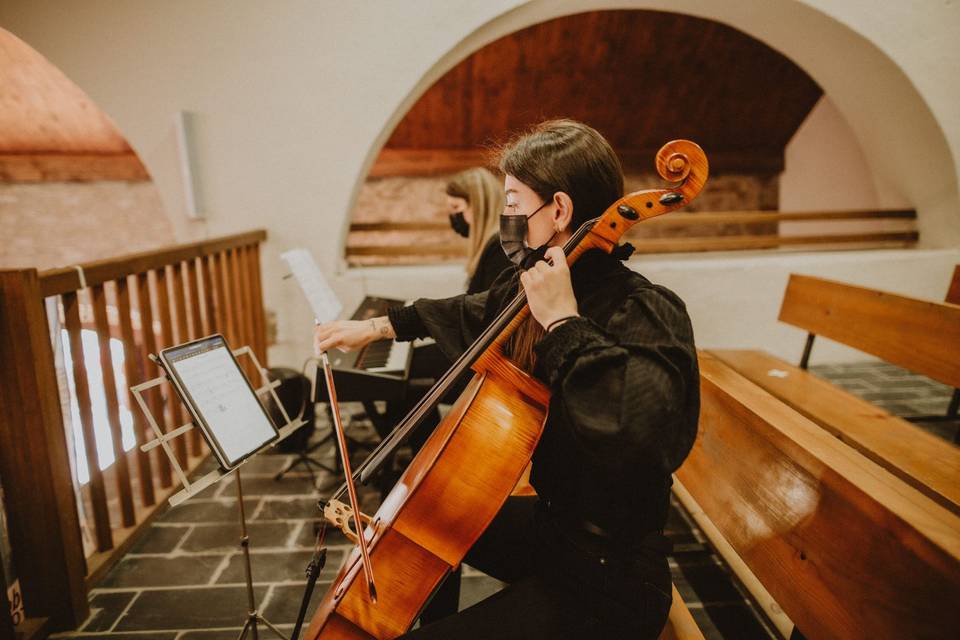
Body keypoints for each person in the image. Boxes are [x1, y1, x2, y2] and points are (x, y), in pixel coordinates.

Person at [314, 119, 700, 639]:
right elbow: (477, 309)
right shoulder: (535, 286)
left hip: (611, 578)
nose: (508, 216)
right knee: (426, 518)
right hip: (557, 532)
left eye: (515, 201)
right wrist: (379, 326)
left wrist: (564, 325)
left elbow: (637, 430)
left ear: (559, 210)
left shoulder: (644, 309)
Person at [445, 166, 514, 294]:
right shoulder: (493, 244)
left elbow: (487, 308)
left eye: (455, 207)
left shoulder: (500, 248)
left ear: (478, 206)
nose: (452, 216)